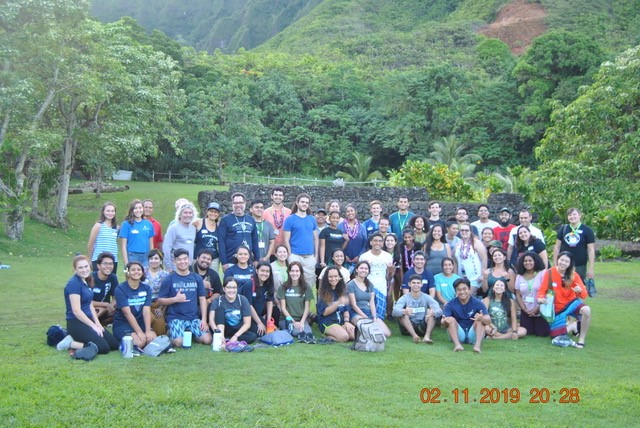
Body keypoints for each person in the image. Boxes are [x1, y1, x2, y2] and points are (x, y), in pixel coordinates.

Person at [64, 255, 119, 354]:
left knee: (114, 345)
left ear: (90, 267)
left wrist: (98, 324)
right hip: (76, 322)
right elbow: (76, 311)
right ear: (75, 269)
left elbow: (89, 305)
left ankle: (80, 338)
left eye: (86, 266)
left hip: (89, 319)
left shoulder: (87, 280)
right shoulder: (74, 284)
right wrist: (93, 326)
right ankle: (70, 343)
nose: (84, 270)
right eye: (80, 267)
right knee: (103, 348)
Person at [156, 249, 212, 347]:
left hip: (193, 318)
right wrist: (175, 299)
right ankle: (171, 332)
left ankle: (190, 332)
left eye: (185, 259)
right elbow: (160, 301)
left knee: (207, 340)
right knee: (179, 343)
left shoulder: (197, 278)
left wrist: (203, 320)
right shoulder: (169, 279)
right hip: (176, 318)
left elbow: (202, 299)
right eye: (179, 259)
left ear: (189, 260)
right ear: (175, 262)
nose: (182, 262)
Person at [537, 252, 591, 348]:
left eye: (566, 261)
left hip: (571, 303)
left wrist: (579, 291)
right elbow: (542, 290)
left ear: (570, 263)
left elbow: (584, 295)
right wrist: (540, 298)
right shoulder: (549, 272)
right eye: (561, 260)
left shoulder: (573, 275)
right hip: (556, 308)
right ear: (557, 259)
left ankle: (581, 339)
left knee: (586, 310)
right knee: (556, 337)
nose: (563, 263)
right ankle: (573, 326)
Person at [112, 261, 156, 349]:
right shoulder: (120, 289)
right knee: (139, 343)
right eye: (133, 270)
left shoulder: (147, 288)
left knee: (152, 340)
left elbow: (146, 311)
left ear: (142, 272)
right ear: (127, 272)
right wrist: (139, 332)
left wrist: (147, 331)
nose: (136, 272)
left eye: (139, 269)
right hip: (123, 323)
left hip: (140, 322)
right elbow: (127, 313)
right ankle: (121, 343)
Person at [441, 278, 490, 353]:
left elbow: (488, 320)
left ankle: (477, 346)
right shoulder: (450, 304)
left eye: (464, 289)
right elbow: (443, 322)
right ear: (456, 291)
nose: (462, 292)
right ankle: (457, 345)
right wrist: (445, 321)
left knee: (480, 320)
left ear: (469, 289)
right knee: (450, 319)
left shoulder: (478, 303)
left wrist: (482, 318)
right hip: (459, 334)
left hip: (472, 333)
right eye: (459, 290)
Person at [393, 274, 443, 343]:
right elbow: (394, 311)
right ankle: (414, 336)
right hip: (408, 328)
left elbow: (439, 310)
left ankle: (427, 337)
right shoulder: (404, 297)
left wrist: (433, 313)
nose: (416, 285)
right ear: (409, 284)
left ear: (421, 284)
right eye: (413, 283)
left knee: (432, 315)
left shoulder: (426, 297)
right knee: (403, 315)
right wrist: (404, 311)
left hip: (422, 327)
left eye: (418, 283)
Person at [347, 261, 391, 338]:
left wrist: (374, 317)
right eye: (361, 268)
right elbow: (354, 305)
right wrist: (366, 318)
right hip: (356, 313)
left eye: (366, 269)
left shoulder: (370, 285)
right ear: (356, 270)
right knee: (368, 329)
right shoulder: (351, 284)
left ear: (368, 271)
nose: (363, 270)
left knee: (386, 333)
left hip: (368, 312)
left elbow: (372, 303)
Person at [283, 193, 318, 288]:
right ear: (297, 203)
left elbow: (315, 238)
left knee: (310, 283)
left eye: (307, 202)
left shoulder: (312, 219)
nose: (304, 204)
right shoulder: (290, 219)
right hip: (295, 255)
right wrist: (290, 255)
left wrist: (316, 256)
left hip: (310, 257)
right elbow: (286, 239)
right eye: (302, 202)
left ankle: (307, 302)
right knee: (294, 282)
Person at [218, 192, 260, 271]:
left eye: (240, 202)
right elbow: (221, 242)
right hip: (230, 261)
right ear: (232, 204)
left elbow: (255, 241)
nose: (238, 205)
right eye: (235, 203)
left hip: (248, 261)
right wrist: (224, 262)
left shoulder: (251, 219)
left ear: (245, 203)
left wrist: (257, 259)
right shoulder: (225, 220)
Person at [209, 278, 257, 345]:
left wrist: (235, 336)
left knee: (252, 336)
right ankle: (222, 339)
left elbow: (247, 323)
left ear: (237, 289)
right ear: (224, 289)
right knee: (220, 309)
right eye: (228, 287)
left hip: (237, 330)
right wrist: (218, 334)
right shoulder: (218, 300)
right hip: (222, 329)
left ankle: (230, 341)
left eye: (234, 287)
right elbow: (211, 321)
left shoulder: (243, 300)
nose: (231, 290)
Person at [553, 208, 595, 282]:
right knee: (562, 285)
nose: (572, 216)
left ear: (579, 215)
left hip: (579, 265)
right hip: (564, 264)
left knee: (578, 287)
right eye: (569, 215)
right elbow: (557, 247)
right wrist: (555, 263)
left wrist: (591, 268)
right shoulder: (563, 229)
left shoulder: (587, 230)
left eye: (574, 214)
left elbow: (591, 250)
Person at [276, 261, 314, 341]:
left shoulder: (306, 287)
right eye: (292, 271)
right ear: (289, 272)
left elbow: (307, 308)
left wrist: (302, 321)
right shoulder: (283, 287)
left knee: (308, 332)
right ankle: (288, 328)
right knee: (297, 332)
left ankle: (302, 325)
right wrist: (293, 322)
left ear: (300, 272)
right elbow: (283, 308)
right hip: (286, 319)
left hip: (301, 319)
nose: (294, 273)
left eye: (297, 271)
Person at [514, 251, 550, 337]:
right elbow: (518, 294)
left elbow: (547, 292)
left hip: (541, 309)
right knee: (527, 332)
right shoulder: (519, 276)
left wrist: (538, 308)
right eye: (525, 261)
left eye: (530, 261)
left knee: (542, 333)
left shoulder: (543, 273)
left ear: (535, 261)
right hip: (526, 310)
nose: (527, 263)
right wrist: (524, 309)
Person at [360, 233, 394, 320]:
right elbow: (360, 275)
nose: (377, 243)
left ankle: (378, 321)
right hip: (368, 285)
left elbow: (389, 277)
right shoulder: (364, 256)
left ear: (382, 243)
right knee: (368, 310)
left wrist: (390, 270)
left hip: (381, 285)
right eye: (375, 241)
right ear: (371, 242)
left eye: (380, 241)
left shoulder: (388, 256)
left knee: (380, 314)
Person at [316, 266, 355, 342]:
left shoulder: (343, 291)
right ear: (326, 278)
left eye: (335, 276)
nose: (333, 279)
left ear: (339, 277)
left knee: (354, 336)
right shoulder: (323, 293)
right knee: (344, 337)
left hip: (341, 322)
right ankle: (326, 336)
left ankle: (338, 332)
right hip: (328, 322)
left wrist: (347, 322)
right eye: (330, 277)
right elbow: (324, 312)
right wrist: (337, 303)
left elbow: (346, 310)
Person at [119, 199, 155, 268]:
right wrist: (126, 262)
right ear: (132, 210)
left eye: (140, 208)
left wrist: (151, 259)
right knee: (133, 277)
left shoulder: (148, 224)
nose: (138, 210)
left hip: (146, 256)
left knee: (145, 277)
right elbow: (123, 245)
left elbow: (151, 245)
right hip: (132, 256)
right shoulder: (126, 224)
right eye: (135, 208)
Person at [163, 202, 198, 272]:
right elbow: (166, 248)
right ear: (180, 215)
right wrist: (168, 266)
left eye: (190, 213)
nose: (188, 215)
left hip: (188, 267)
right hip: (175, 267)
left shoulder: (193, 229)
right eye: (185, 212)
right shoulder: (173, 228)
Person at [454, 223, 487, 295]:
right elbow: (455, 261)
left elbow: (484, 259)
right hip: (461, 278)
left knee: (466, 296)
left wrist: (482, 275)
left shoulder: (476, 243)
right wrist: (455, 275)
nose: (464, 232)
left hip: (475, 278)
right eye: (462, 230)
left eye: (466, 230)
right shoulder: (458, 244)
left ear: (471, 232)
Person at [87, 202, 119, 272]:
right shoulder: (98, 226)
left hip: (113, 260)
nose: (110, 213)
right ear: (103, 212)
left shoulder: (116, 228)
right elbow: (90, 244)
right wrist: (89, 260)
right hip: (99, 260)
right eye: (108, 211)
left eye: (112, 211)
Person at [144, 249, 169, 335]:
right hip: (144, 304)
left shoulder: (166, 275)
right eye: (151, 259)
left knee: (160, 330)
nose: (153, 261)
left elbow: (168, 295)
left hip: (158, 305)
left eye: (156, 258)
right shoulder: (142, 272)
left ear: (161, 261)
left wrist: (161, 309)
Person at [192, 202, 221, 274]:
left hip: (213, 258)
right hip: (198, 257)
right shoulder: (198, 223)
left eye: (216, 212)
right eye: (211, 211)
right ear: (207, 211)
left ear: (218, 214)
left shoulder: (219, 226)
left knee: (212, 279)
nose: (213, 214)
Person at [91, 252, 119, 326]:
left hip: (106, 310)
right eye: (105, 264)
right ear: (98, 266)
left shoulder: (113, 277)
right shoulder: (91, 278)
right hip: (91, 308)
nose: (108, 266)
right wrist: (105, 305)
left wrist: (106, 308)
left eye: (111, 264)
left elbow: (116, 298)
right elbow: (86, 301)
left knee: (123, 310)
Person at [250, 262, 278, 334]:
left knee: (271, 330)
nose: (264, 273)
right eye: (262, 271)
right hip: (248, 316)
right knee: (261, 332)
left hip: (259, 314)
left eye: (267, 271)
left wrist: (269, 321)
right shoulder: (250, 284)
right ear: (257, 271)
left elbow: (269, 302)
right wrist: (259, 323)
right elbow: (248, 306)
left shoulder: (268, 284)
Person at [339, 204, 368, 271]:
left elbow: (365, 243)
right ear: (345, 214)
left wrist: (359, 256)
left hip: (358, 260)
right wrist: (343, 255)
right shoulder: (340, 226)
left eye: (352, 211)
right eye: (348, 211)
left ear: (356, 212)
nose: (350, 213)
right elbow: (338, 243)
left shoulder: (362, 227)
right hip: (343, 259)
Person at [262, 187, 292, 251]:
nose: (278, 197)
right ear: (271, 196)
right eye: (275, 195)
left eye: (280, 195)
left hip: (285, 249)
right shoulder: (265, 212)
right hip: (270, 249)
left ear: (283, 197)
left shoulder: (289, 212)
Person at [383, 233, 402, 301]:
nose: (389, 242)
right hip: (383, 277)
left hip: (395, 278)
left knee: (392, 297)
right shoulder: (381, 253)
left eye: (391, 241)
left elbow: (400, 269)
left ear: (395, 242)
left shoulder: (399, 254)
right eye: (387, 241)